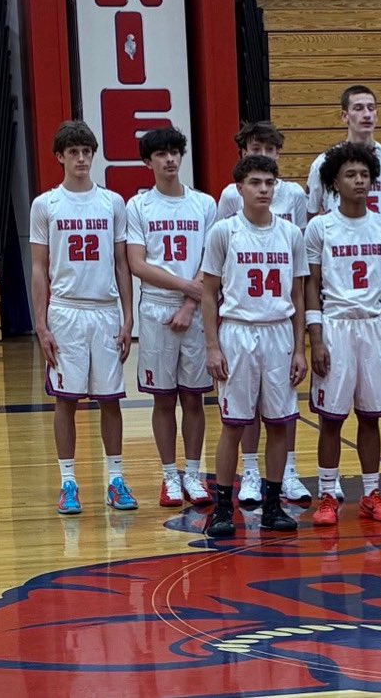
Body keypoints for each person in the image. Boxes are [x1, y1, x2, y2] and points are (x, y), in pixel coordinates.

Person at [306, 85, 381, 497]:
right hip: (334, 325)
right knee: (331, 419)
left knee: (371, 415)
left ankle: (371, 493)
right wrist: (314, 338)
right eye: (351, 175)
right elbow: (310, 284)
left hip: (372, 326)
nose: (360, 181)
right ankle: (329, 493)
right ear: (335, 181)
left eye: (365, 174)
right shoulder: (319, 227)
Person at [30, 120, 136, 515]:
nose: (80, 158)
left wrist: (128, 319)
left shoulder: (112, 202)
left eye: (86, 152)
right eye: (72, 152)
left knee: (110, 401)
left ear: (93, 155)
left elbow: (123, 264)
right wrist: (41, 325)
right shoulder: (46, 204)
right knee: (66, 401)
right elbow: (39, 268)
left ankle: (115, 479)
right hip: (67, 311)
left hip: (105, 311)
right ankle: (68, 482)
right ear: (60, 156)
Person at [202, 154, 308, 536]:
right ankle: (222, 508)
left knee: (279, 425)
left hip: (278, 332)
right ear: (239, 189)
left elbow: (297, 295)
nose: (264, 189)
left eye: (269, 183)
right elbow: (209, 293)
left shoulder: (291, 234)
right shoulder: (224, 232)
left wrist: (300, 349)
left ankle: (273, 505)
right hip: (238, 332)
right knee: (233, 425)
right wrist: (212, 346)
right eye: (255, 183)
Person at [126, 127, 216, 508]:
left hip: (195, 312)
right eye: (161, 154)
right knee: (163, 401)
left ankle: (193, 475)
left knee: (194, 400)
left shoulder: (204, 204)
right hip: (156, 308)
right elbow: (136, 263)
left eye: (175, 152)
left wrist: (191, 303)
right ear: (148, 162)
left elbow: (212, 262)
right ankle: (168, 477)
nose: (170, 159)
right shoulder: (139, 206)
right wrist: (187, 288)